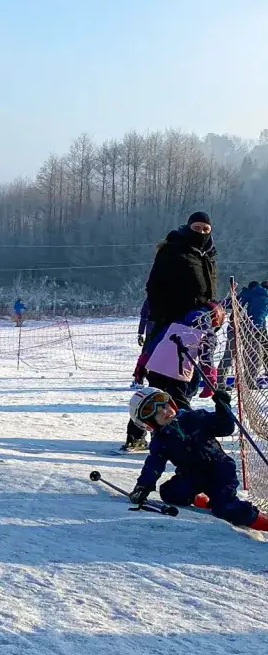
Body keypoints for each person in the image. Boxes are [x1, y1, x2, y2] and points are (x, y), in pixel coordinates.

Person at [128, 387, 268, 530]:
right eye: (156, 413)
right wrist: (143, 487)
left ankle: (257, 519)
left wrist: (222, 407)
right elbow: (153, 466)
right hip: (191, 475)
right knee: (169, 492)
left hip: (219, 471)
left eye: (164, 405)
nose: (165, 412)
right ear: (148, 423)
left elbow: (225, 428)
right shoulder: (160, 442)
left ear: (171, 403)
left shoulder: (195, 418)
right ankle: (199, 497)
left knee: (225, 508)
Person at [121, 305, 222, 451]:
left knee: (150, 400)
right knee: (178, 406)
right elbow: (206, 356)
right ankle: (192, 439)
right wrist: (210, 380)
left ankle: (134, 437)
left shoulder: (174, 322)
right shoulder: (206, 329)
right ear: (216, 318)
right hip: (178, 371)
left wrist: (142, 364)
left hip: (156, 366)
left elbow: (155, 343)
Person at [144, 211, 217, 336]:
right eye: (197, 228)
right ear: (189, 227)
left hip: (201, 321)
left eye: (206, 229)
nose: (201, 232)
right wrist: (161, 317)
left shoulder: (208, 257)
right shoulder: (173, 250)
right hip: (172, 322)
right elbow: (154, 285)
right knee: (161, 354)